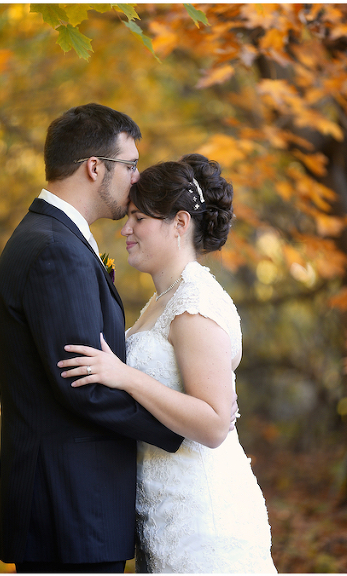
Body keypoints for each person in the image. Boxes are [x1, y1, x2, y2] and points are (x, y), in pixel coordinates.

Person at [0, 103, 184, 573]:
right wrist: (182, 427)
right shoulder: (55, 249)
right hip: (70, 510)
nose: (137, 177)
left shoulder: (52, 238)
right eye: (130, 164)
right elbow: (86, 386)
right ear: (95, 168)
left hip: (68, 508)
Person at [58, 155, 277, 573]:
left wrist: (126, 377)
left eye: (139, 218)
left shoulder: (195, 303)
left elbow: (214, 424)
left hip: (201, 517)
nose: (126, 229)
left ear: (179, 223)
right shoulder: (161, 301)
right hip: (163, 510)